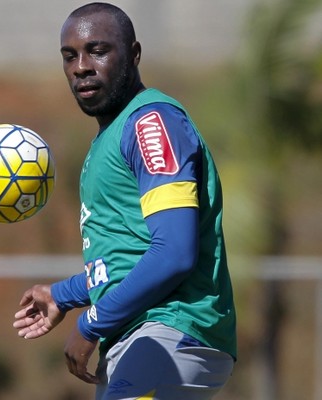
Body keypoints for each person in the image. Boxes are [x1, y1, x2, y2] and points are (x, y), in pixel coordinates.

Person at [12, 3, 237, 399]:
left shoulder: (151, 124)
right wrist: (63, 295)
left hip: (170, 330)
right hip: (140, 338)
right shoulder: (113, 135)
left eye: (97, 51)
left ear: (134, 54)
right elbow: (128, 257)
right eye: (69, 56)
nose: (81, 67)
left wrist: (91, 324)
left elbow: (173, 253)